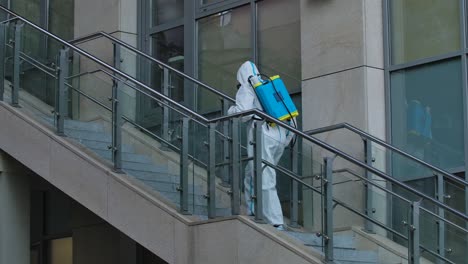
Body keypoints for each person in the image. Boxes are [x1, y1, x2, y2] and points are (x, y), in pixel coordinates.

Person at [228, 61, 294, 230]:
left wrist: (231, 111)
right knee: (252, 173)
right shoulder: (271, 85)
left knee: (264, 176)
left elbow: (242, 113)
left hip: (262, 134)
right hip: (281, 135)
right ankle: (253, 209)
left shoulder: (247, 87)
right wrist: (287, 138)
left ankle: (275, 220)